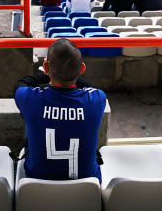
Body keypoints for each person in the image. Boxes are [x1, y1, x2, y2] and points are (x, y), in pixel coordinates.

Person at [14, 38, 106, 181]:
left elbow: (21, 84)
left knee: (31, 115)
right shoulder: (98, 99)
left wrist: (50, 75)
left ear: (45, 68)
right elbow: (89, 86)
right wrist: (69, 74)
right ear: (82, 69)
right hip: (86, 187)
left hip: (37, 183)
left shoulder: (30, 98)